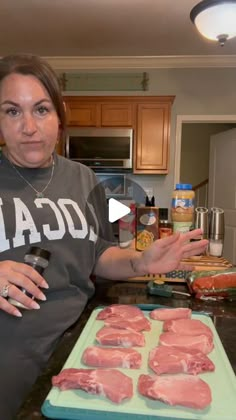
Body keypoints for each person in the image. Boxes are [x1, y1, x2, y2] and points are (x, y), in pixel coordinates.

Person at [0, 54, 208, 419]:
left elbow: (97, 253)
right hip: (9, 355)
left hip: (84, 344)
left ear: (59, 115)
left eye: (42, 109)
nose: (29, 126)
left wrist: (141, 261)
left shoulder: (82, 178)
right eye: (12, 111)